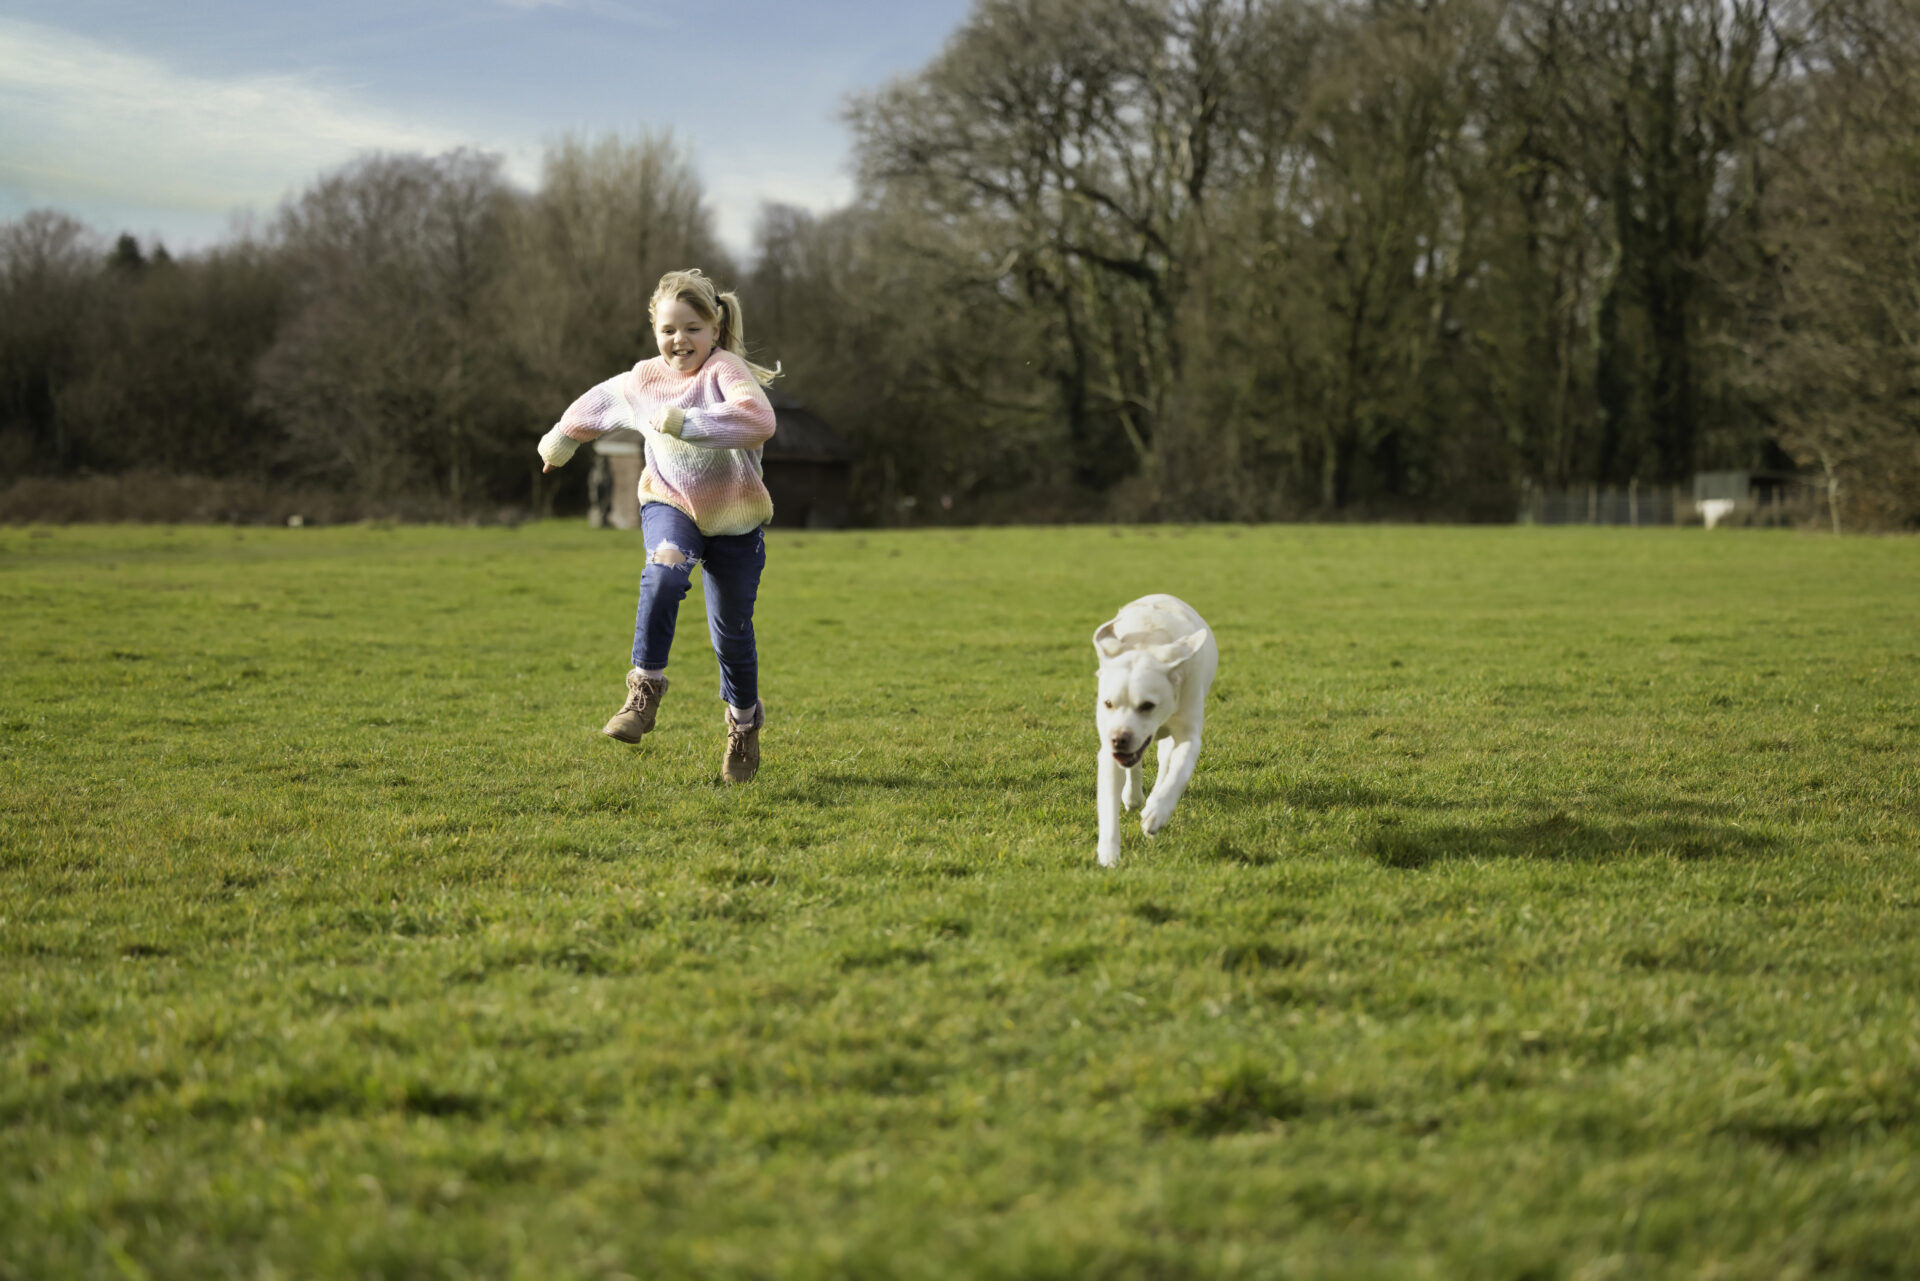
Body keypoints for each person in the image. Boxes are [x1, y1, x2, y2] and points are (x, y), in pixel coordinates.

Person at [537, 268, 780, 783]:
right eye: (669, 329)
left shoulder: (726, 371)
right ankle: (643, 692)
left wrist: (687, 423)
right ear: (654, 331)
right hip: (670, 504)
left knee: (731, 636)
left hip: (734, 518)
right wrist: (561, 439)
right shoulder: (644, 378)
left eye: (692, 328)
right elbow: (599, 402)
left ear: (714, 329)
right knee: (665, 572)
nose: (680, 340)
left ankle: (742, 725)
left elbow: (759, 420)